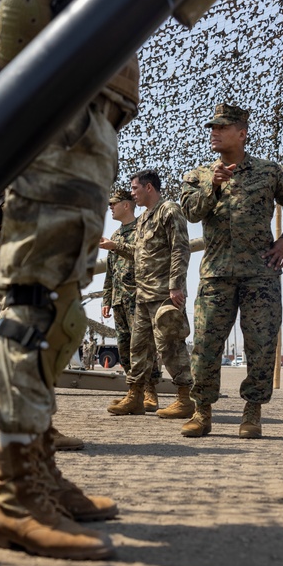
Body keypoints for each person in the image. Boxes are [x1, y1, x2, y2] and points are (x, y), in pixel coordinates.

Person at [0, 0, 139, 561]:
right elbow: (25, 3)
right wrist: (41, 117)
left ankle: (40, 469)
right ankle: (14, 496)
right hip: (63, 123)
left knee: (63, 308)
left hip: (85, 125)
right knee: (33, 307)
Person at [180, 103, 283, 438]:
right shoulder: (198, 175)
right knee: (206, 344)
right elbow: (191, 212)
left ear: (242, 133)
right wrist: (215, 188)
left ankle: (252, 413)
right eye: (212, 128)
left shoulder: (271, 172)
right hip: (216, 274)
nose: (214, 133)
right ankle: (201, 412)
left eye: (222, 128)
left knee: (261, 344)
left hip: (260, 273)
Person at [104, 169, 194, 419]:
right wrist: (116, 247)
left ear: (149, 188)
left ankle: (185, 399)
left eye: (135, 189)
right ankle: (135, 397)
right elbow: (138, 253)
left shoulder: (169, 211)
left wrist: (175, 285)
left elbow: (180, 249)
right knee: (138, 348)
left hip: (164, 294)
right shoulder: (143, 219)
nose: (132, 193)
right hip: (142, 295)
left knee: (171, 346)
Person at [100, 188, 162, 411]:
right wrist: (106, 298)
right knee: (124, 348)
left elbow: (145, 255)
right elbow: (110, 270)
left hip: (139, 297)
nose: (110, 208)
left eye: (113, 204)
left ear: (126, 205)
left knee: (145, 347)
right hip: (119, 299)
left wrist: (115, 246)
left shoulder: (142, 228)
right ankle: (133, 392)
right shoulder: (115, 234)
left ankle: (150, 392)